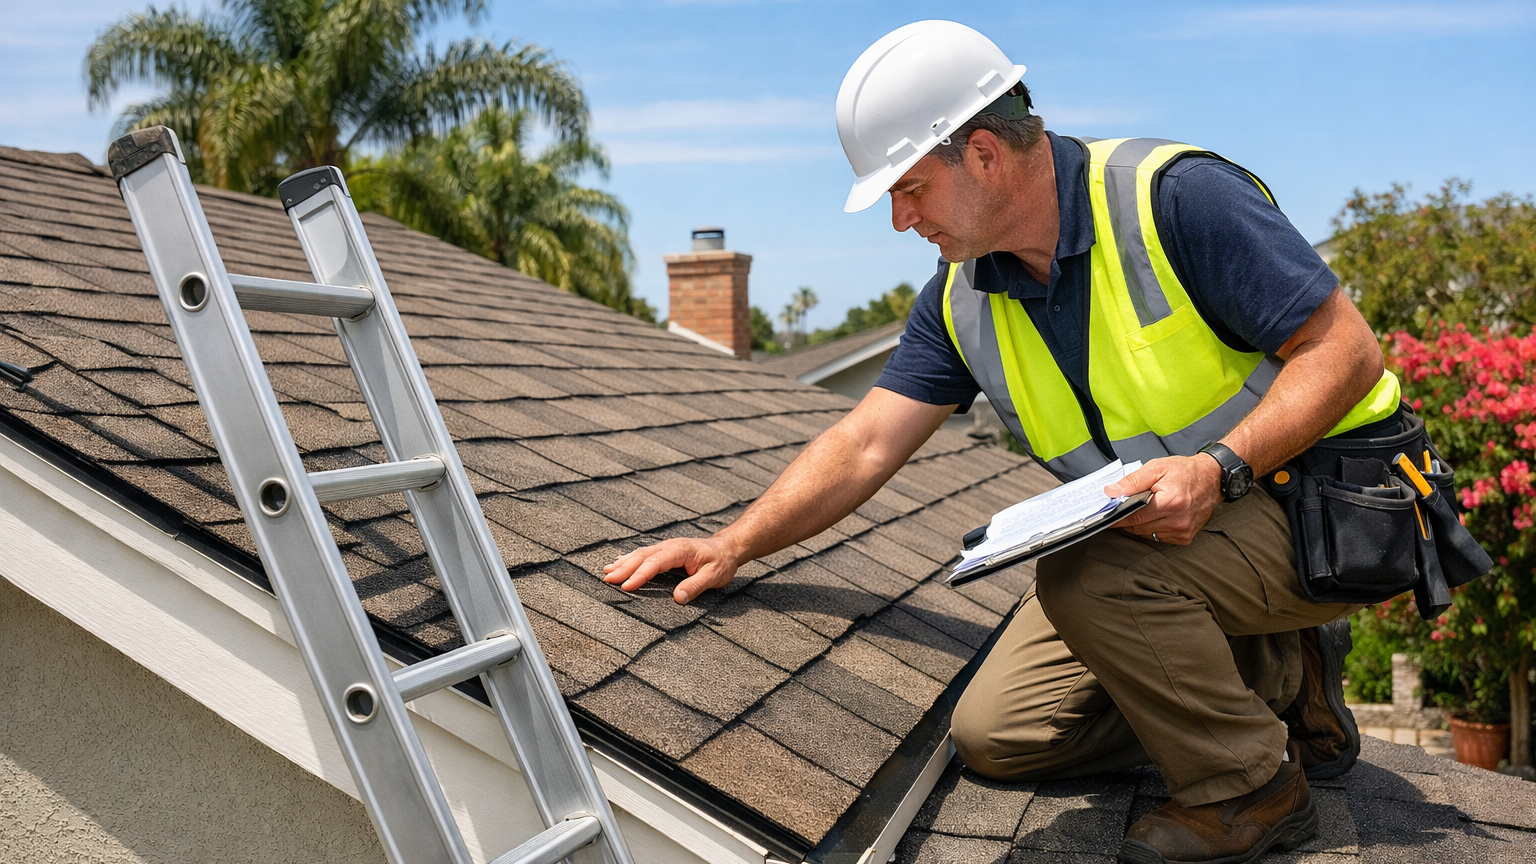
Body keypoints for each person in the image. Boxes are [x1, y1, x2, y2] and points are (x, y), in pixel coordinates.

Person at [605, 20, 1401, 864]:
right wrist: (732, 544)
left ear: (983, 154)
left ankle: (1250, 788)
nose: (901, 220)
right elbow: (867, 441)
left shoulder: (1177, 200)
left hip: (1330, 508)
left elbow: (1347, 350)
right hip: (1162, 535)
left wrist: (1218, 468)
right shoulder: (963, 298)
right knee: (1001, 735)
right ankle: (1274, 677)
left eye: (910, 189)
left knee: (1087, 576)